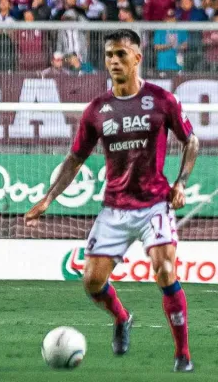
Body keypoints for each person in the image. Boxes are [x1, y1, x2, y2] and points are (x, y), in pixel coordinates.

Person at [25, 29, 198, 373]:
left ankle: (183, 354)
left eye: (121, 54)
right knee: (91, 282)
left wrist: (180, 183)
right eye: (109, 55)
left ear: (137, 58)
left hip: (154, 205)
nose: (114, 61)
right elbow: (75, 159)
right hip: (115, 208)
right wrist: (48, 199)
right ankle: (122, 318)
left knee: (164, 270)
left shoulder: (162, 100)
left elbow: (191, 141)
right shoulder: (96, 111)